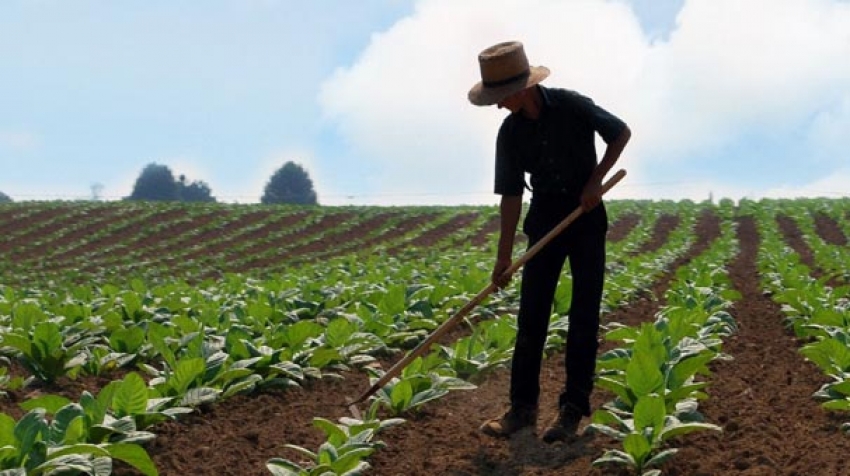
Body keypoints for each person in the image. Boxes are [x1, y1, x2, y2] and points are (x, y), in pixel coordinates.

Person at [467, 41, 631, 443]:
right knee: (532, 317)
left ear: (521, 89)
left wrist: (595, 181)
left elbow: (620, 132)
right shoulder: (509, 133)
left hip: (585, 217)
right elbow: (510, 196)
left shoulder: (572, 106)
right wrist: (503, 258)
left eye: (500, 98)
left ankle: (572, 410)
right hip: (543, 221)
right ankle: (522, 410)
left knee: (583, 315)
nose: (497, 106)